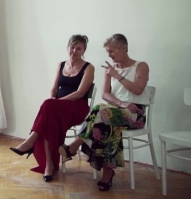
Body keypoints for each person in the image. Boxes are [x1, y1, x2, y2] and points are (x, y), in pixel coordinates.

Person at [59, 34, 150, 192]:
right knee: (106, 121)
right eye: (108, 52)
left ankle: (74, 147)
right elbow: (105, 94)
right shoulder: (110, 69)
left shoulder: (141, 66)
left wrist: (117, 76)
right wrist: (121, 103)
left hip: (135, 114)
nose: (109, 55)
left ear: (124, 48)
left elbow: (138, 89)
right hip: (112, 112)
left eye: (112, 51)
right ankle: (107, 173)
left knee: (101, 111)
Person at [9, 34, 94, 182]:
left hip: (77, 107)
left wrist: (58, 102)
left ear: (84, 50)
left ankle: (31, 141)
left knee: (49, 106)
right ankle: (48, 164)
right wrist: (54, 100)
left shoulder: (89, 67)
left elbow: (80, 93)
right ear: (67, 48)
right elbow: (54, 89)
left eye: (78, 48)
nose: (74, 51)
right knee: (49, 111)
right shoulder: (61, 64)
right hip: (57, 107)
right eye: (72, 47)